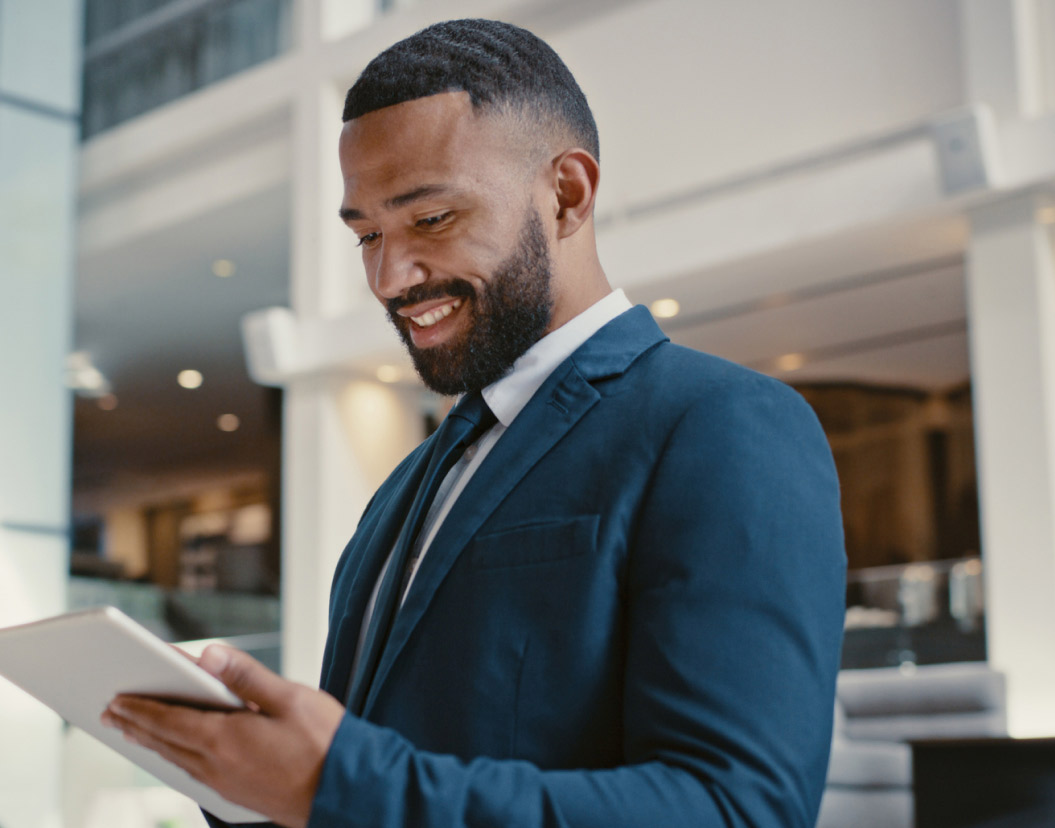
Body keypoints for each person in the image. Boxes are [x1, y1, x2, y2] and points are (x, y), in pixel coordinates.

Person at [102, 18, 845, 828]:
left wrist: (343, 782)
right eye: (367, 235)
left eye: (430, 221)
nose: (390, 276)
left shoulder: (723, 426)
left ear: (567, 194)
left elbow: (740, 811)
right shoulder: (401, 492)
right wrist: (245, 778)